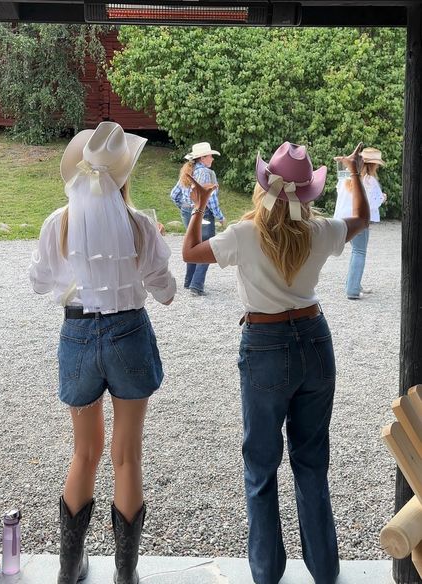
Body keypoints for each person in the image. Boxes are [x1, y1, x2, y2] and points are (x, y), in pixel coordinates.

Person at [182, 141, 369, 584]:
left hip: (264, 344)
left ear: (264, 187)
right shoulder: (319, 231)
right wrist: (357, 175)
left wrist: (199, 208)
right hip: (314, 340)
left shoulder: (245, 235)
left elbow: (190, 253)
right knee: (311, 460)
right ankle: (324, 568)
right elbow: (361, 220)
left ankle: (267, 572)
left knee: (261, 463)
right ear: (307, 194)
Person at [29, 122, 176, 584]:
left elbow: (38, 282)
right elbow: (166, 292)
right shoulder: (138, 224)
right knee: (127, 456)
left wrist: (73, 280)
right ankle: (125, 574)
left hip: (76, 335)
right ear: (124, 175)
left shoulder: (59, 221)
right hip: (128, 332)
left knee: (84, 452)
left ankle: (69, 568)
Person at [170, 141, 226, 295]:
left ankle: (189, 282)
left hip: (188, 212)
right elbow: (211, 198)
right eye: (210, 156)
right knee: (207, 248)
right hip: (203, 214)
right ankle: (196, 285)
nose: (212, 159)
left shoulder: (188, 172)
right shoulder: (207, 174)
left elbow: (174, 194)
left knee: (192, 245)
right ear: (202, 158)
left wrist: (184, 208)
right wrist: (220, 216)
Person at [334, 146, 387, 299]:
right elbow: (372, 203)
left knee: (355, 252)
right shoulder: (370, 181)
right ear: (373, 165)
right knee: (359, 252)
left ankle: (354, 283)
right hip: (359, 221)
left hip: (343, 220)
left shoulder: (346, 178)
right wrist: (383, 197)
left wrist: (343, 161)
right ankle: (353, 290)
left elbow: (339, 189)